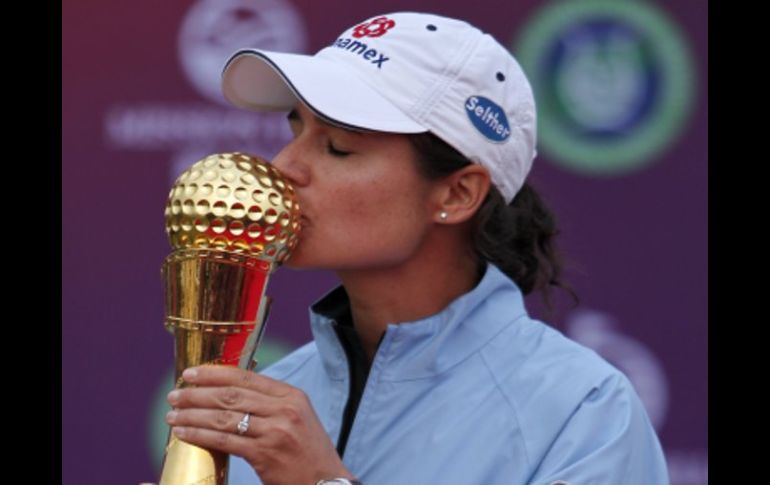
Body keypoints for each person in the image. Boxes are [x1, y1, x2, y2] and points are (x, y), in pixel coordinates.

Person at [164, 12, 669, 485]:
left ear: (457, 193)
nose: (284, 166)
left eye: (339, 146)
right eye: (295, 128)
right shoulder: (269, 402)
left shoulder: (585, 411)